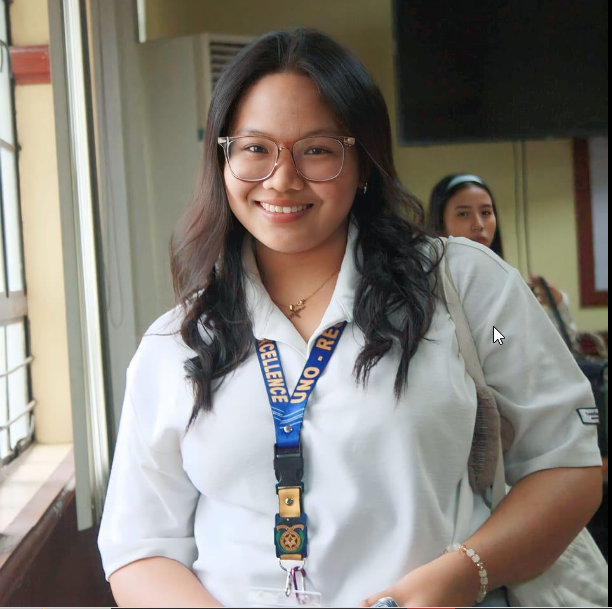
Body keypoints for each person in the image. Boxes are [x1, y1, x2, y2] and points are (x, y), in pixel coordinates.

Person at [98, 29, 603, 608]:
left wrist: (465, 574)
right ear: (223, 159)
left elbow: (565, 462)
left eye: (317, 150)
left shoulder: (466, 289)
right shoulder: (178, 342)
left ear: (363, 161)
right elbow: (140, 545)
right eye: (255, 148)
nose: (282, 179)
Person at [428, 173, 582, 353]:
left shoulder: (504, 282)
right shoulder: (428, 287)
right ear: (440, 221)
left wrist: (559, 308)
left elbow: (539, 352)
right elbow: (500, 344)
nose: (479, 224)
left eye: (486, 212)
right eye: (463, 214)